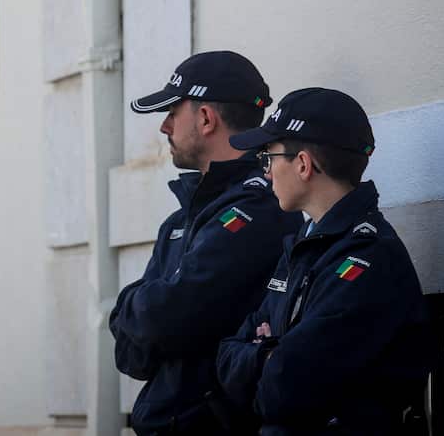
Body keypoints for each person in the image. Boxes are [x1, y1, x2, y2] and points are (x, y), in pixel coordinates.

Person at [216, 87, 433, 434]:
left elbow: (287, 388)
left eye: (268, 157)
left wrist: (262, 352)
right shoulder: (303, 246)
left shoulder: (368, 259)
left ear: (303, 164)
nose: (267, 173)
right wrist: (269, 356)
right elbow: (226, 358)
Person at [110, 51, 303, 435]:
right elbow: (131, 353)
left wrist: (141, 309)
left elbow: (170, 315)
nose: (164, 127)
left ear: (205, 118)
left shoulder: (260, 208)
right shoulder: (179, 222)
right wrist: (143, 314)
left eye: (171, 112)